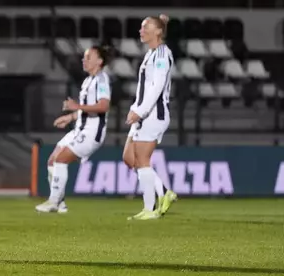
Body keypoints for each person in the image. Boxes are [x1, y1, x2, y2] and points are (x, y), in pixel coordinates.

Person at [36, 46, 112, 213]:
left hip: (92, 132)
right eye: (84, 57)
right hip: (79, 129)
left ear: (99, 61)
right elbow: (86, 109)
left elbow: (104, 106)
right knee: (52, 160)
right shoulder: (87, 81)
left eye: (88, 57)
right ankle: (60, 203)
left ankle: (53, 202)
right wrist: (70, 117)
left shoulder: (101, 79)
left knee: (61, 160)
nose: (84, 60)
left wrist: (76, 106)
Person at [124, 14, 178, 220]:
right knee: (130, 158)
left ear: (157, 31)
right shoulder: (152, 53)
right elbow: (145, 88)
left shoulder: (163, 55)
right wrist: (135, 109)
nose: (141, 30)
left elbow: (157, 87)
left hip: (154, 113)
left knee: (142, 159)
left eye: (145, 27)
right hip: (144, 113)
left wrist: (141, 111)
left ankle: (150, 209)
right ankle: (164, 192)